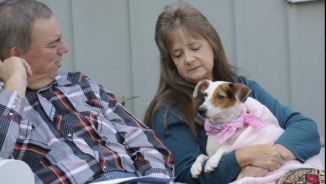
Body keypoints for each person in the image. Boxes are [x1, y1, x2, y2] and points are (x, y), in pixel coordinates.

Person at [143, 2, 322, 184]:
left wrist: (271, 157)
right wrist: (244, 156)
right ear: (171, 62)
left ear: (212, 45)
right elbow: (188, 177)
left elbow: (305, 128)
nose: (189, 59)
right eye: (178, 55)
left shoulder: (241, 88)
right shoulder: (169, 111)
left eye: (195, 48)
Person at [0, 0, 175, 183]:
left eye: (60, 39)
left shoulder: (81, 85)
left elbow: (146, 142)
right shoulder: (5, 103)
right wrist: (14, 84)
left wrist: (154, 180)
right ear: (16, 55)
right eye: (53, 45)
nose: (64, 49)